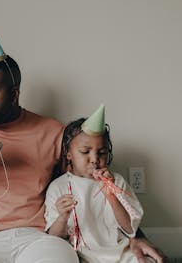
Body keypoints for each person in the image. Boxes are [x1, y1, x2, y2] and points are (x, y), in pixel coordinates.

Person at [0, 29, 166, 263]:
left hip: (38, 240)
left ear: (14, 95)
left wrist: (135, 236)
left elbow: (89, 183)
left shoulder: (51, 131)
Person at [45, 105, 146, 263]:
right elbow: (53, 238)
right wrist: (62, 217)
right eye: (85, 152)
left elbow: (130, 229)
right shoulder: (59, 187)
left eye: (102, 152)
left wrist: (111, 195)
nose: (94, 159)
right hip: (82, 255)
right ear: (68, 154)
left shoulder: (116, 181)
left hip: (121, 252)